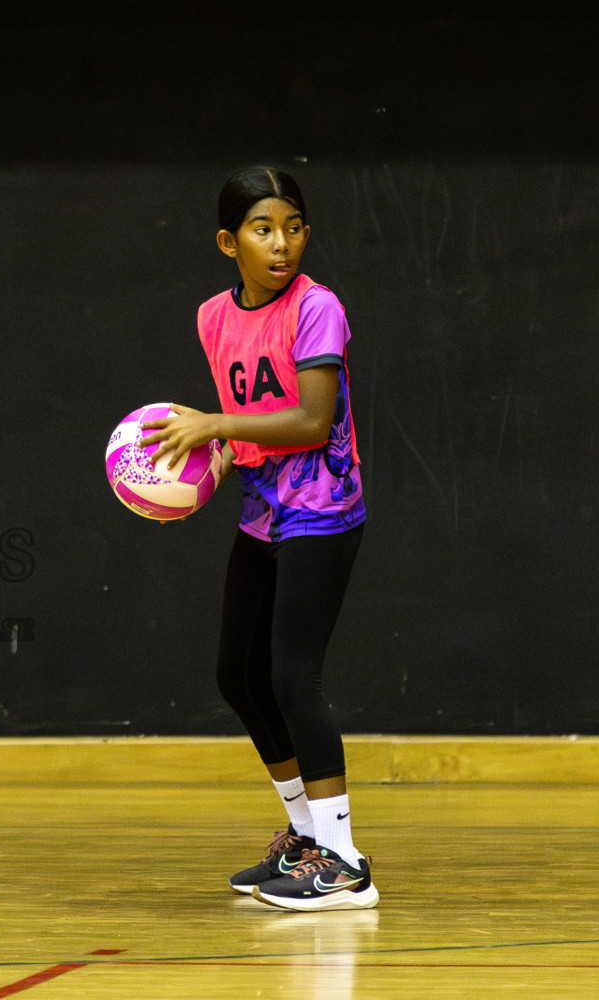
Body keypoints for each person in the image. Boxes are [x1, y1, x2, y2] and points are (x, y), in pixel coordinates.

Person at [139, 167, 376, 912]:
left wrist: (215, 424)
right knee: (236, 676)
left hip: (323, 510)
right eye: (263, 229)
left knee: (293, 679)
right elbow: (246, 419)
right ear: (228, 242)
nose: (282, 244)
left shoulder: (317, 307)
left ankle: (345, 863)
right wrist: (194, 467)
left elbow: (310, 420)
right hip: (263, 509)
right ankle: (305, 836)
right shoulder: (213, 316)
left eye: (294, 228)